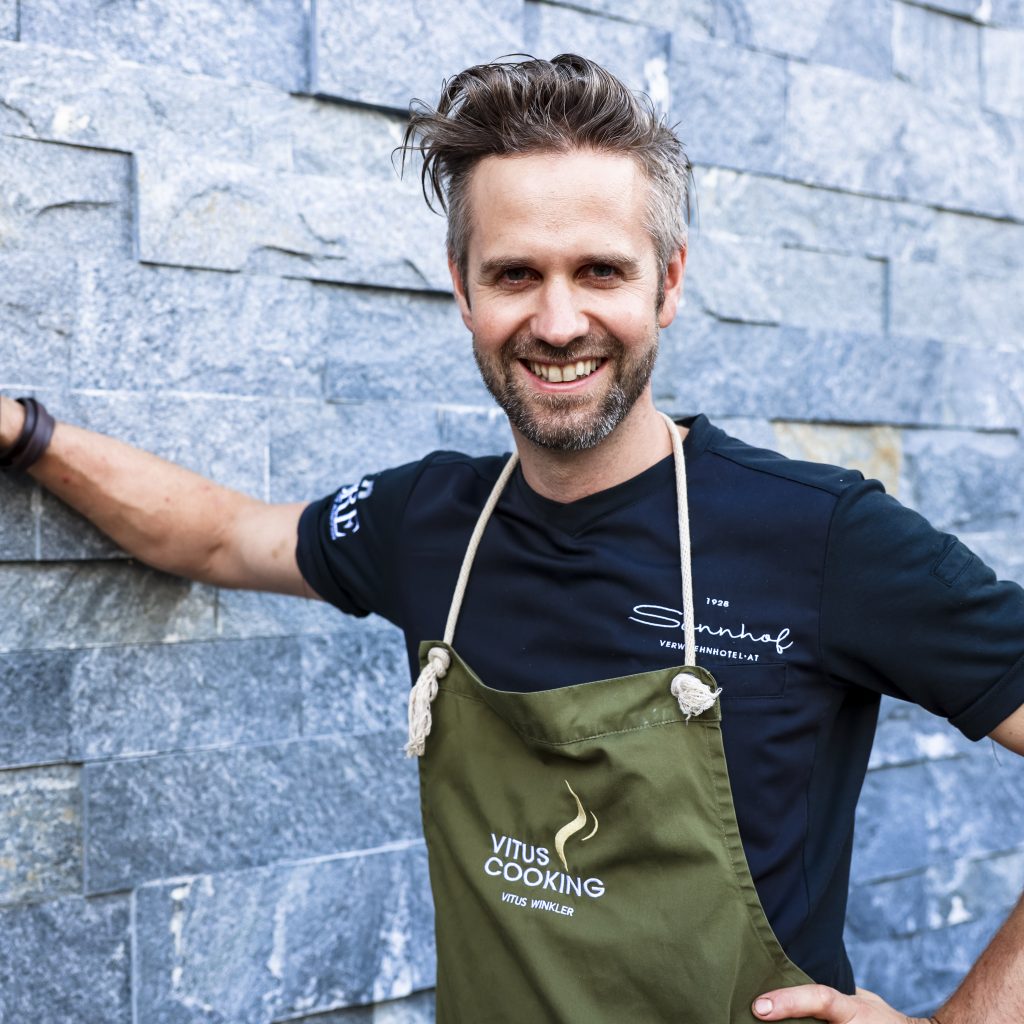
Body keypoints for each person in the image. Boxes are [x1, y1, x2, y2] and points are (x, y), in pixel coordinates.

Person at [1, 53, 1022, 1024]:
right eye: (516, 274)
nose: (559, 320)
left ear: (667, 283)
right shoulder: (426, 523)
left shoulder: (821, 537)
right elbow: (222, 538)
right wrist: (24, 433)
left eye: (600, 271)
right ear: (463, 290)